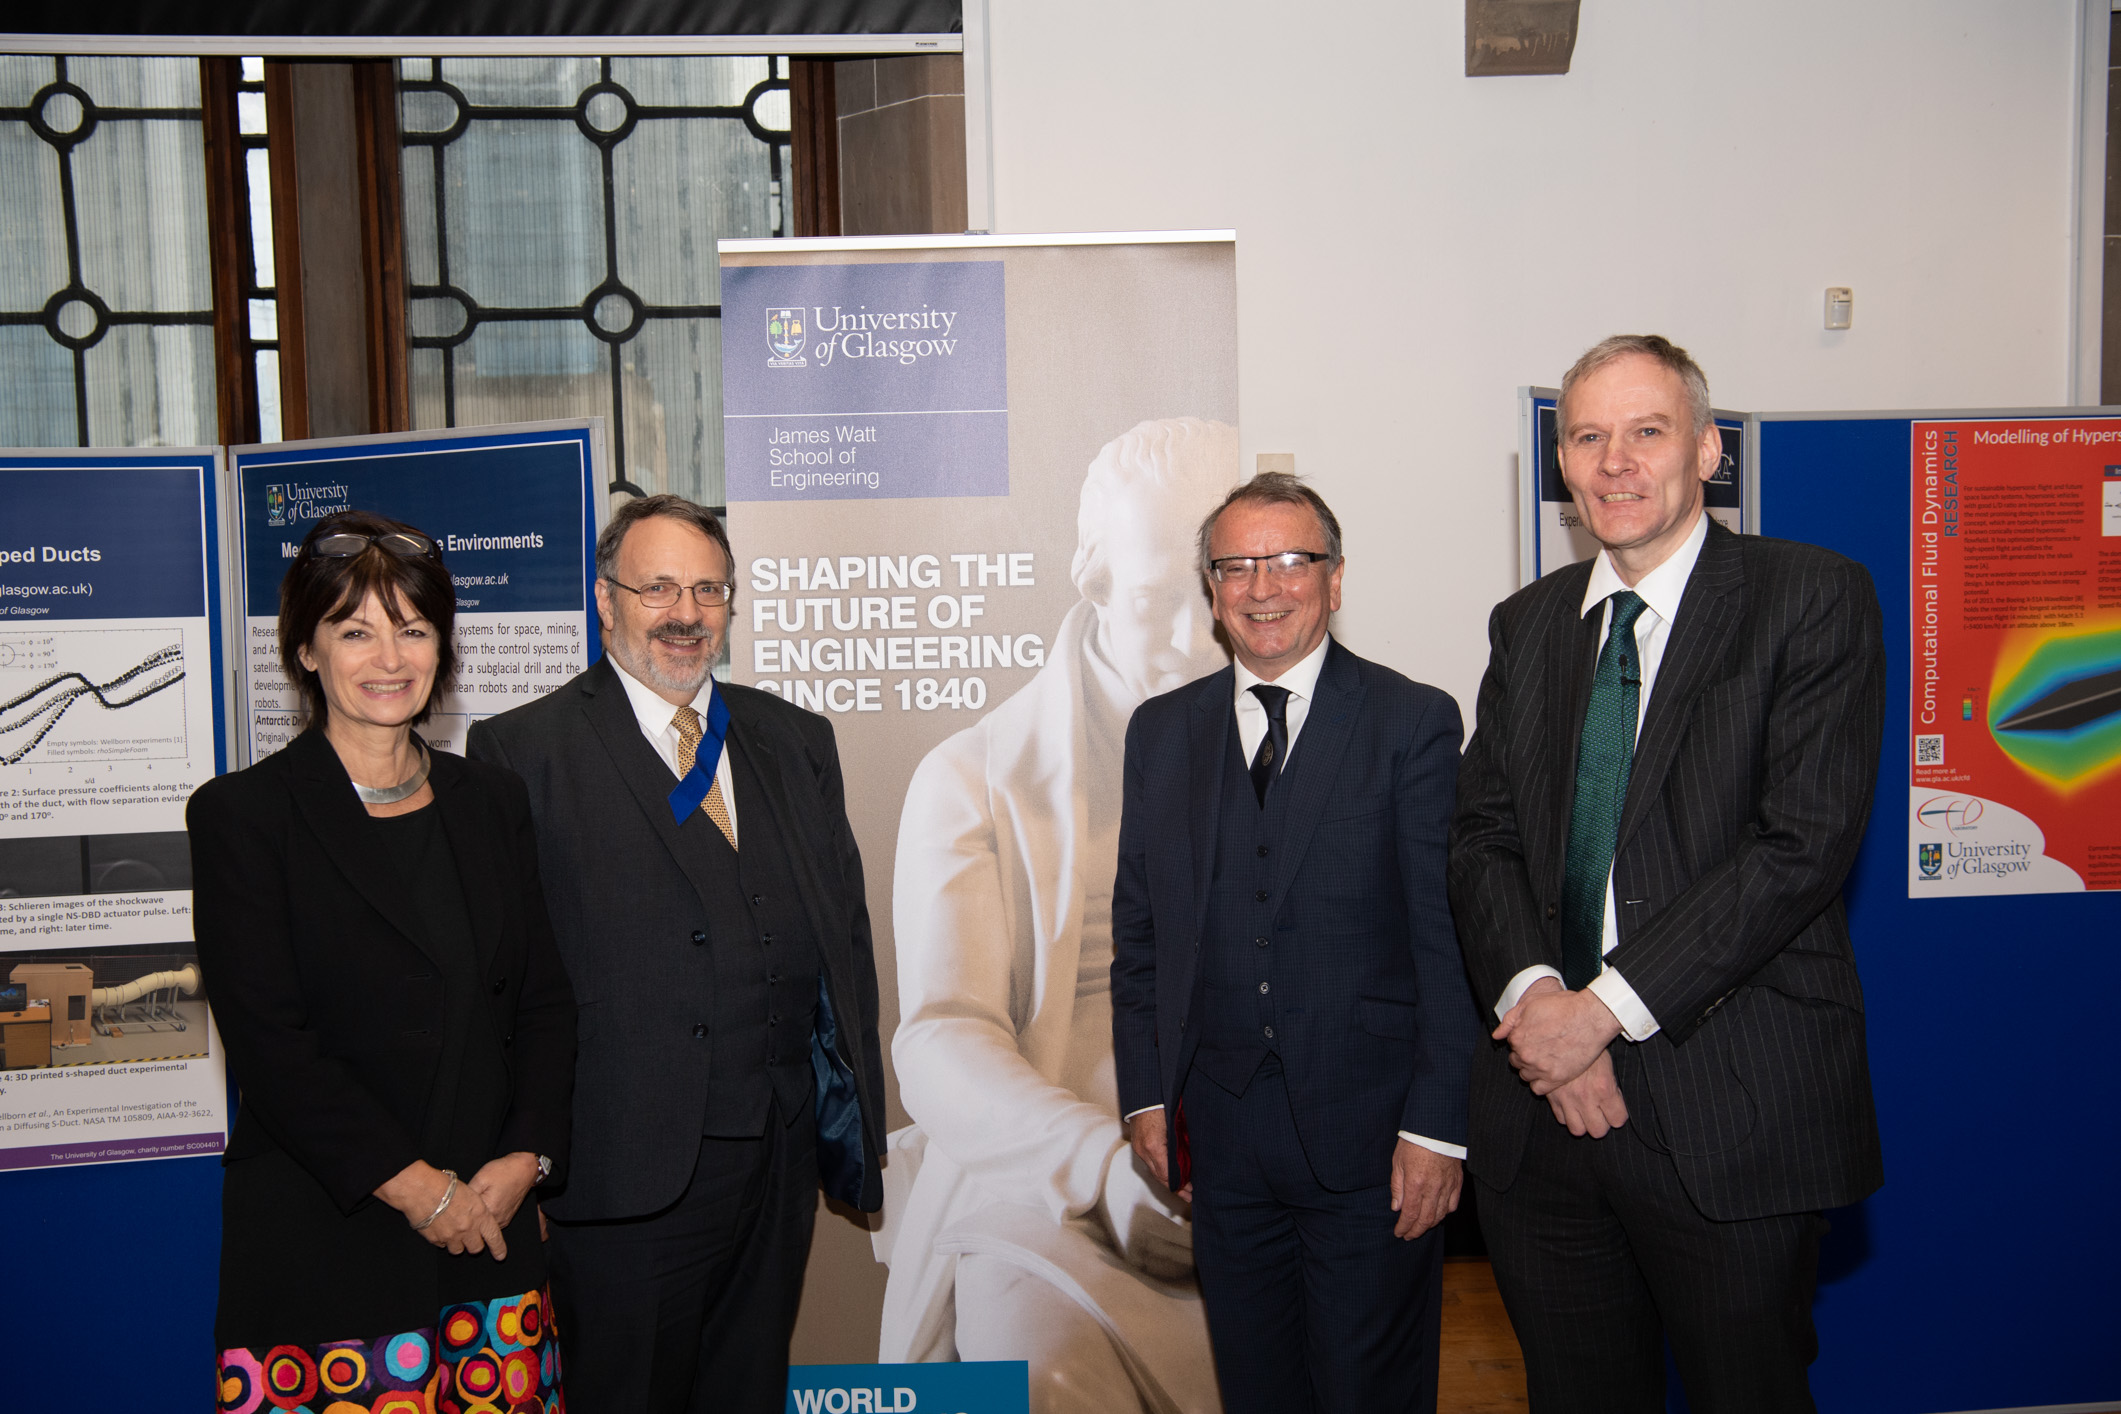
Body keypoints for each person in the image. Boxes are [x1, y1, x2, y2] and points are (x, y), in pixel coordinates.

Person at [1449, 335, 1885, 1412]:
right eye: (1587, 437)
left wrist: (1600, 1011)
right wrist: (1539, 1002)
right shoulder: (1530, 623)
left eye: (1646, 432)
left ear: (1707, 449)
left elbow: (1801, 845)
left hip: (1729, 1108)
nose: (1614, 463)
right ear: (1562, 463)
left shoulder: (1810, 598)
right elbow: (1481, 837)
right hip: (1541, 1120)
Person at [466, 493, 885, 1414]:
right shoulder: (521, 751)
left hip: (775, 1160)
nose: (685, 613)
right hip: (619, 1169)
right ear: (605, 601)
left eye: (706, 589)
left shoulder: (793, 740)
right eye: (657, 587)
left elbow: (843, 938)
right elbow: (503, 987)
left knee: (746, 1389)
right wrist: (520, 1152)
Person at [882, 418, 1238, 1414]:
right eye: (1158, 600)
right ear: (1093, 582)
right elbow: (942, 1036)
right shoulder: (972, 778)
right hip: (1049, 1192)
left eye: (1210, 593)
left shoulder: (1286, 750)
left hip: (1254, 1179)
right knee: (1048, 1380)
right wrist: (1099, 1168)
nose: (1190, 635)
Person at [1110, 472, 1479, 1413]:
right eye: (1235, 565)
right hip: (1222, 1144)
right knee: (1257, 1390)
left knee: (1370, 1393)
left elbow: (1447, 945)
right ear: (1210, 587)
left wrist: (1435, 1127)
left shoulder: (1412, 722)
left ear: (1336, 578)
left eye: (1289, 560)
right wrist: (1146, 1097)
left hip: (1374, 1141)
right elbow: (1142, 934)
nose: (1262, 587)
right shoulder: (1161, 733)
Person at [190, 510, 575, 1412]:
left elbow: (546, 1002)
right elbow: (269, 1046)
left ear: (442, 647)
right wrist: (418, 1193)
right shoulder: (245, 817)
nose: (389, 658)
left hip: (490, 1227)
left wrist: (527, 1157)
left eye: (412, 628)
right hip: (334, 1231)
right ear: (307, 652)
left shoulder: (492, 801)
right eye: (355, 631)